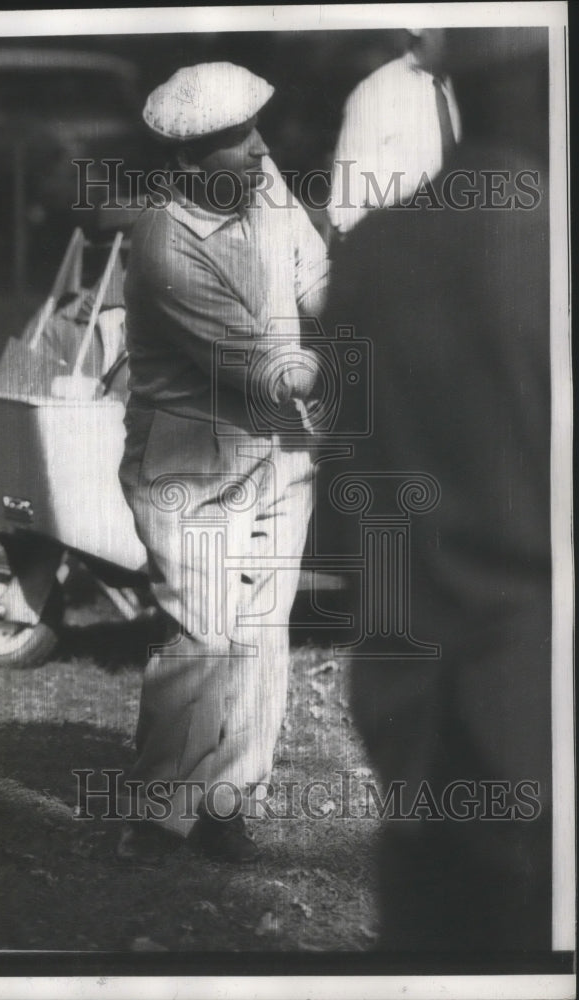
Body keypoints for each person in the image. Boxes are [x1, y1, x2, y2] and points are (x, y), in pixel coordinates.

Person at [319, 50, 552, 947]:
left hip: (415, 718)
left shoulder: (373, 251)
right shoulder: (548, 243)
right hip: (541, 720)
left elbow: (346, 505)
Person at [117, 62, 330, 863]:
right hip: (192, 463)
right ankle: (156, 817)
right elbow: (267, 369)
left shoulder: (261, 184)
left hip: (279, 450)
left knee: (260, 633)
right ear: (185, 160)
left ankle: (225, 805)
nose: (259, 148)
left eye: (256, 129)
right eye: (237, 138)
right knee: (204, 634)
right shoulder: (164, 242)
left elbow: (317, 277)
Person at [328, 28, 461, 235]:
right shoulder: (375, 91)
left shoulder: (466, 90)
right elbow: (344, 205)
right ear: (422, 29)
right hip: (397, 240)